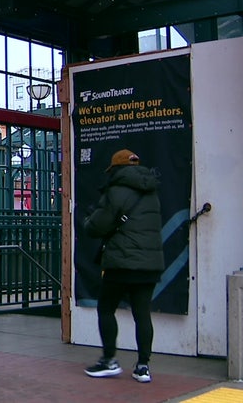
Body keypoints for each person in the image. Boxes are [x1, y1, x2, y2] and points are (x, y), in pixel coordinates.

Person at [82, 149, 163, 383]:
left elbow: (97, 226)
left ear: (116, 169)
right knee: (142, 314)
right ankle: (143, 367)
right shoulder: (151, 192)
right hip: (149, 264)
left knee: (106, 308)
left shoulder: (115, 191)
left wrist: (89, 219)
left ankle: (109, 360)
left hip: (121, 262)